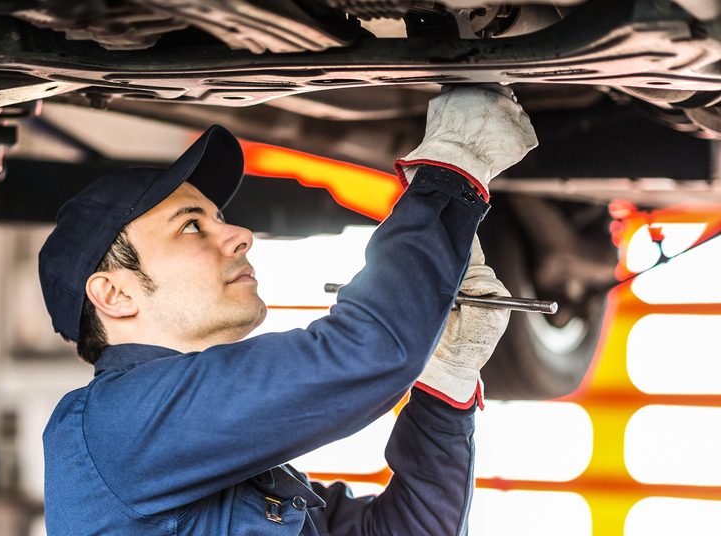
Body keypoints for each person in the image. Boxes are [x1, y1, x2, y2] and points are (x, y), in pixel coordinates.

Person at [38, 84, 538, 535]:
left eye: (220, 219)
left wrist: (445, 379)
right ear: (114, 294)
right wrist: (452, 168)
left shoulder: (226, 468)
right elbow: (366, 354)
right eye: (192, 226)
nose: (240, 235)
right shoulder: (114, 426)